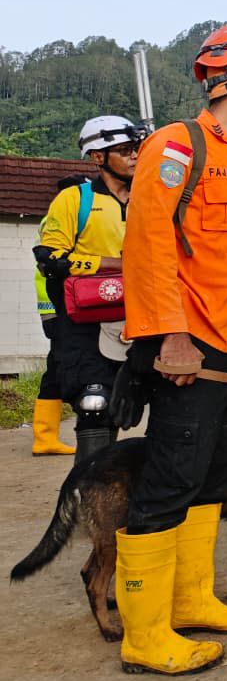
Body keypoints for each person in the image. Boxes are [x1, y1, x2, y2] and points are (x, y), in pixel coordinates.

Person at [115, 25, 227, 675]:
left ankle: (192, 599)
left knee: (217, 474)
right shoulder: (175, 147)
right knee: (169, 479)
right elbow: (149, 245)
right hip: (190, 352)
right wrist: (170, 333)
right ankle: (143, 634)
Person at [33, 117, 141, 462]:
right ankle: (91, 494)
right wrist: (111, 264)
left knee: (165, 403)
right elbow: (50, 258)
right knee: (95, 403)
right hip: (87, 322)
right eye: (124, 151)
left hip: (144, 316)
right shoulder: (73, 200)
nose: (135, 156)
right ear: (97, 157)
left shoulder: (152, 198)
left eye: (136, 149)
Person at [28, 178, 84, 455]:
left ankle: (45, 434)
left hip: (57, 303)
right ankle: (44, 436)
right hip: (57, 304)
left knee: (57, 363)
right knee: (59, 364)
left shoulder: (52, 219)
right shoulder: (59, 219)